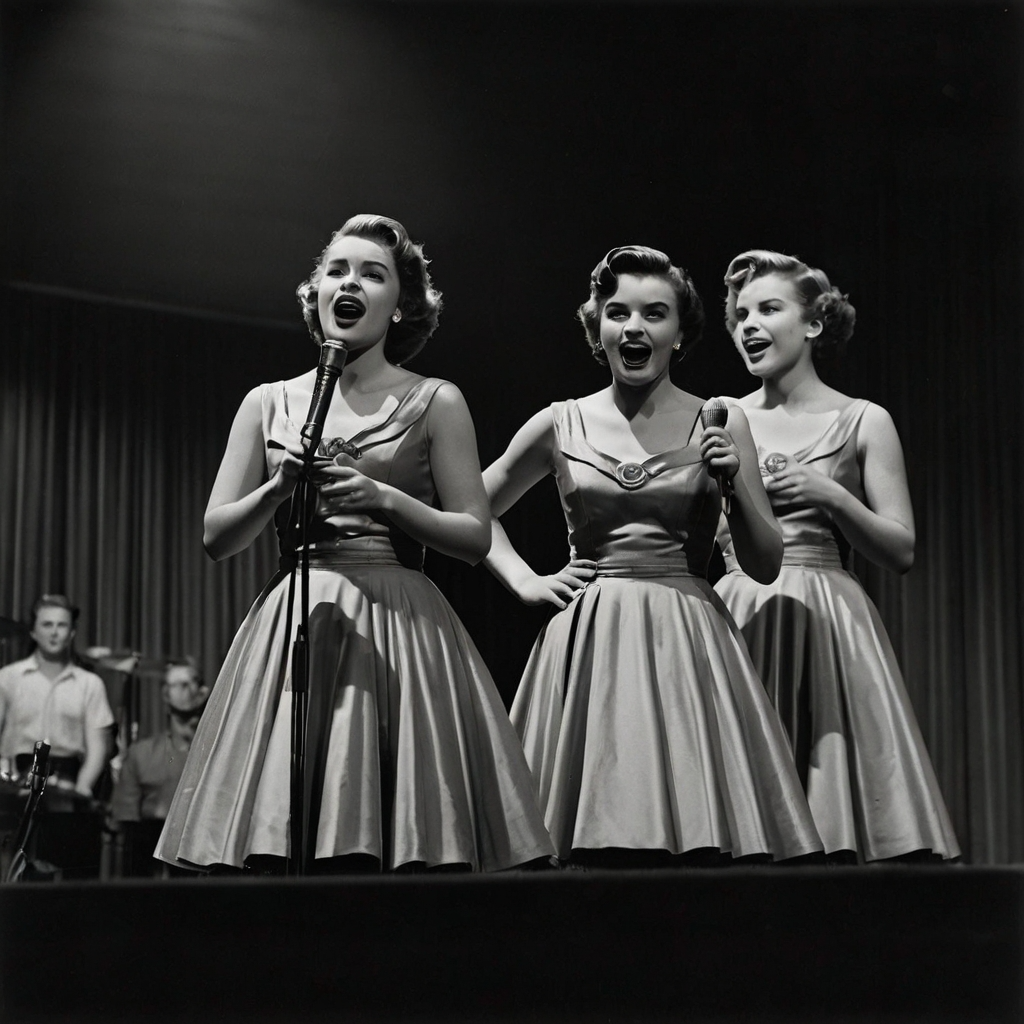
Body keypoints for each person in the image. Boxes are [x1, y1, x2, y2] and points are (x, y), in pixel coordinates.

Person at [155, 215, 554, 873]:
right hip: (296, 621)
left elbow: (474, 534)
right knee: (281, 839)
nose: (349, 283)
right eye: (336, 270)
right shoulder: (268, 403)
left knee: (397, 837)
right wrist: (276, 489)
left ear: (400, 305)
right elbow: (216, 537)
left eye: (373, 274)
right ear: (315, 293)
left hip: (400, 627)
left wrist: (385, 499)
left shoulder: (436, 401)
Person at [482, 245, 822, 867]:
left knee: (696, 840)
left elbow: (767, 564)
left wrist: (735, 483)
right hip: (588, 640)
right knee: (571, 846)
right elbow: (470, 512)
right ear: (598, 330)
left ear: (678, 333)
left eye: (654, 314)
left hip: (686, 641)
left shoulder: (721, 420)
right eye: (618, 313)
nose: (634, 327)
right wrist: (523, 579)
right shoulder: (560, 422)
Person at [714, 249, 959, 863]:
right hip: (737, 615)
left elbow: (900, 548)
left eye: (769, 308)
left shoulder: (863, 420)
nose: (749, 325)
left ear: (814, 324)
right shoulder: (718, 418)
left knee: (828, 814)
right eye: (741, 314)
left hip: (826, 617)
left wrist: (832, 496)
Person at [0, 594, 113, 796]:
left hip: (68, 781)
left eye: (61, 625)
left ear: (71, 633)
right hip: (15, 781)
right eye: (47, 625)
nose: (54, 632)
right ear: (33, 632)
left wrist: (83, 787)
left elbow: (97, 748)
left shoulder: (90, 684)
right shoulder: (8, 677)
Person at [110, 658, 208, 825]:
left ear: (203, 692)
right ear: (165, 694)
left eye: (192, 681)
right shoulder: (142, 754)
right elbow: (125, 820)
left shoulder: (221, 753)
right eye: (178, 684)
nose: (186, 688)